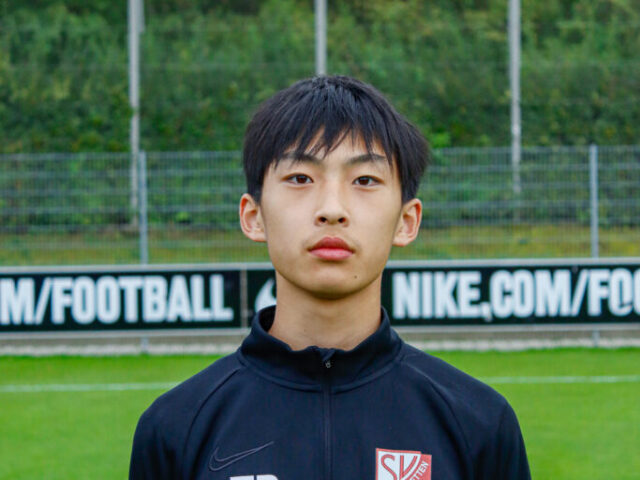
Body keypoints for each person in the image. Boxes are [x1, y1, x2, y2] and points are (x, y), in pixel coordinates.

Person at [129, 75, 531, 480]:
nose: (332, 209)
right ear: (254, 216)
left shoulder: (479, 426)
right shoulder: (175, 429)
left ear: (407, 221)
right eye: (300, 178)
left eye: (365, 180)